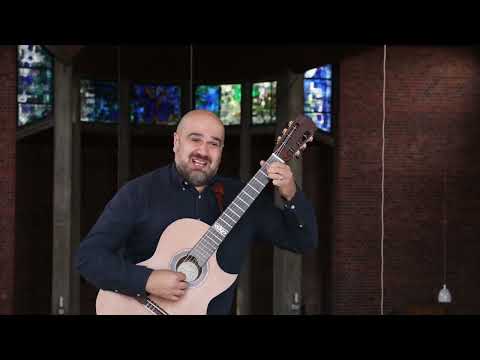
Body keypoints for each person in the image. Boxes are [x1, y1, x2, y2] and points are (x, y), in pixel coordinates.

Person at [75, 110, 318, 315]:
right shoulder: (139, 193)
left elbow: (304, 241)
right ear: (176, 142)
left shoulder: (245, 198)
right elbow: (88, 258)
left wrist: (291, 193)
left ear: (221, 150)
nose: (203, 151)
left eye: (214, 143)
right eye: (195, 139)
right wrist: (146, 281)